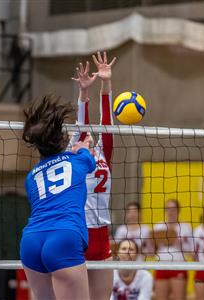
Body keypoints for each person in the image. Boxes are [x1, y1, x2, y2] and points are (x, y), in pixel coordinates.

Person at [20, 94, 96, 299]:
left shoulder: (30, 177)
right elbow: (90, 160)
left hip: (31, 241)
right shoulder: (77, 162)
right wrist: (83, 148)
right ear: (60, 138)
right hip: (64, 237)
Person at [70, 50, 116, 299]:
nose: (87, 135)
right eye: (81, 137)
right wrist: (83, 93)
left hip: (102, 237)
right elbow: (82, 126)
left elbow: (106, 122)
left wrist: (105, 83)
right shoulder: (75, 158)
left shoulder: (103, 154)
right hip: (78, 234)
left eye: (90, 135)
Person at [151, 199, 193, 300]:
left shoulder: (186, 227)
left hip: (178, 266)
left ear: (178, 211)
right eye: (168, 209)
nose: (171, 212)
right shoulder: (158, 226)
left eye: (173, 209)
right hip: (161, 266)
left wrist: (180, 244)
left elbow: (191, 250)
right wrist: (154, 243)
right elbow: (152, 252)